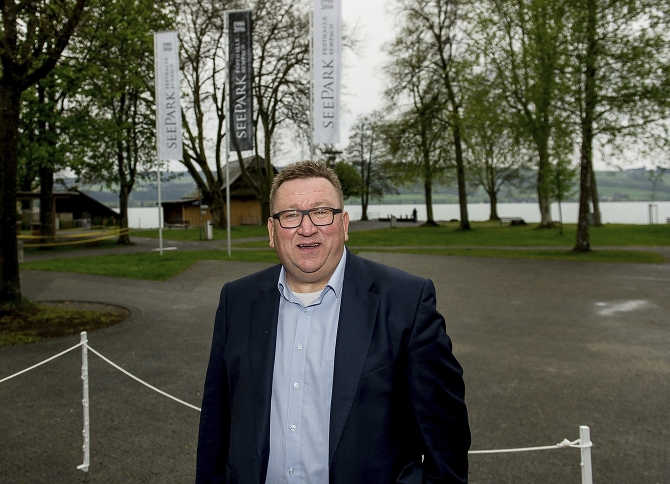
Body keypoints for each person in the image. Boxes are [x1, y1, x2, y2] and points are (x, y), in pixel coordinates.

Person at [196, 161, 470, 484]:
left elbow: (446, 445)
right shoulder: (236, 302)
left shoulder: (406, 303)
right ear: (272, 232)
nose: (307, 228)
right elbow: (215, 431)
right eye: (291, 215)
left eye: (321, 211)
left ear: (344, 223)